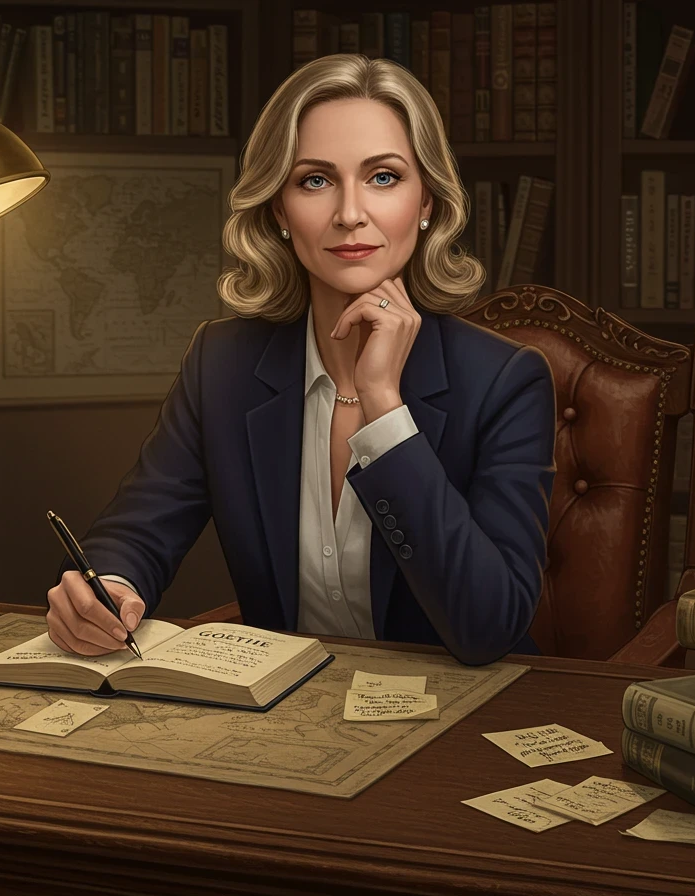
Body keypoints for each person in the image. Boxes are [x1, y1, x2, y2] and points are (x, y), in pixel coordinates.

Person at [46, 54, 556, 666]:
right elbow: (140, 528)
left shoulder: (505, 382)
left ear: (427, 203)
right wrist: (110, 590)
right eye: (315, 179)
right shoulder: (223, 364)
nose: (349, 213)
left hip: (462, 722)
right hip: (288, 716)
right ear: (280, 211)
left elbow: (488, 625)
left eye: (384, 177)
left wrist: (385, 407)